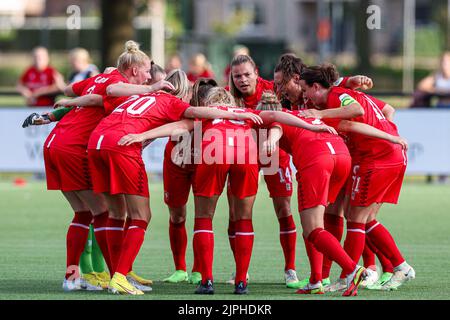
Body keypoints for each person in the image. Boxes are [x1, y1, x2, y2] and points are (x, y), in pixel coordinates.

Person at [88, 69, 262, 295]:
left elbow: (105, 95)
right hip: (234, 154)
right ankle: (238, 281)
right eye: (190, 90)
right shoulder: (186, 105)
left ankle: (121, 274)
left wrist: (143, 136)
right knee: (240, 218)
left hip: (98, 141)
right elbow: (276, 118)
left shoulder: (142, 97)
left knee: (121, 213)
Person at [30, 40, 173, 292]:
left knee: (86, 213)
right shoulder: (117, 84)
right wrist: (152, 89)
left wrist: (58, 111)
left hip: (55, 143)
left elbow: (70, 88)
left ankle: (76, 276)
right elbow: (107, 92)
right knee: (104, 211)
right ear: (135, 70)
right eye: (147, 71)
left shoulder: (101, 79)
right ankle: (116, 275)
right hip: (74, 148)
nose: (150, 77)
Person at [272, 53, 388, 289]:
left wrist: (385, 137)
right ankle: (324, 275)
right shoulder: (295, 99)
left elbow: (383, 109)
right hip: (333, 157)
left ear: (297, 79)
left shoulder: (327, 90)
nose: (277, 89)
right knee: (336, 216)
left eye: (281, 84)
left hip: (338, 158)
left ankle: (370, 267)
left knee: (352, 217)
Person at [299, 63, 415, 292]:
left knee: (356, 218)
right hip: (387, 155)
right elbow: (386, 110)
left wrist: (389, 138)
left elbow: (355, 115)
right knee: (365, 218)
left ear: (315, 86)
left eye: (305, 90)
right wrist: (391, 135)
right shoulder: (345, 92)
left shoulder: (336, 97)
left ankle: (355, 274)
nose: (305, 97)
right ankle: (395, 267)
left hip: (377, 158)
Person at [162, 78, 218, 285]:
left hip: (204, 163)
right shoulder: (183, 109)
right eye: (204, 100)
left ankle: (198, 269)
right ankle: (180, 269)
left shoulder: (218, 115)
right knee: (177, 215)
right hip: (176, 164)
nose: (208, 105)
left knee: (202, 216)